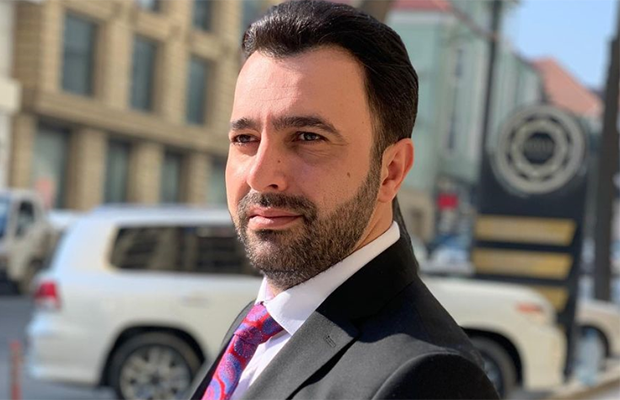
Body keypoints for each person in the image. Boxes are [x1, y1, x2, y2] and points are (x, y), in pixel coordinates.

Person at [189, 1, 500, 399]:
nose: (260, 175)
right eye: (245, 139)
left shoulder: (432, 379)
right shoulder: (262, 323)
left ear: (391, 171)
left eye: (308, 137)